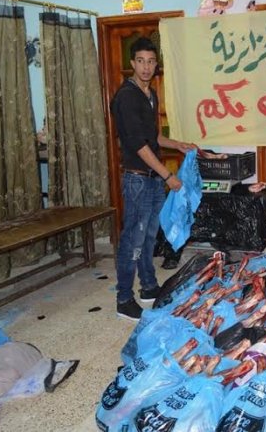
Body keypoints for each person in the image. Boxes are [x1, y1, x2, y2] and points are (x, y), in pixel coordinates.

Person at [110, 37, 197, 321]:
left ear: (156, 64)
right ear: (132, 64)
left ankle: (148, 286)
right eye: (140, 61)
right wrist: (168, 175)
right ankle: (124, 299)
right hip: (138, 179)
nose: (146, 67)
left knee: (149, 236)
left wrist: (178, 145)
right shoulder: (127, 96)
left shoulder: (150, 93)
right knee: (132, 239)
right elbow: (138, 145)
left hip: (152, 179)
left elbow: (153, 137)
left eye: (150, 61)